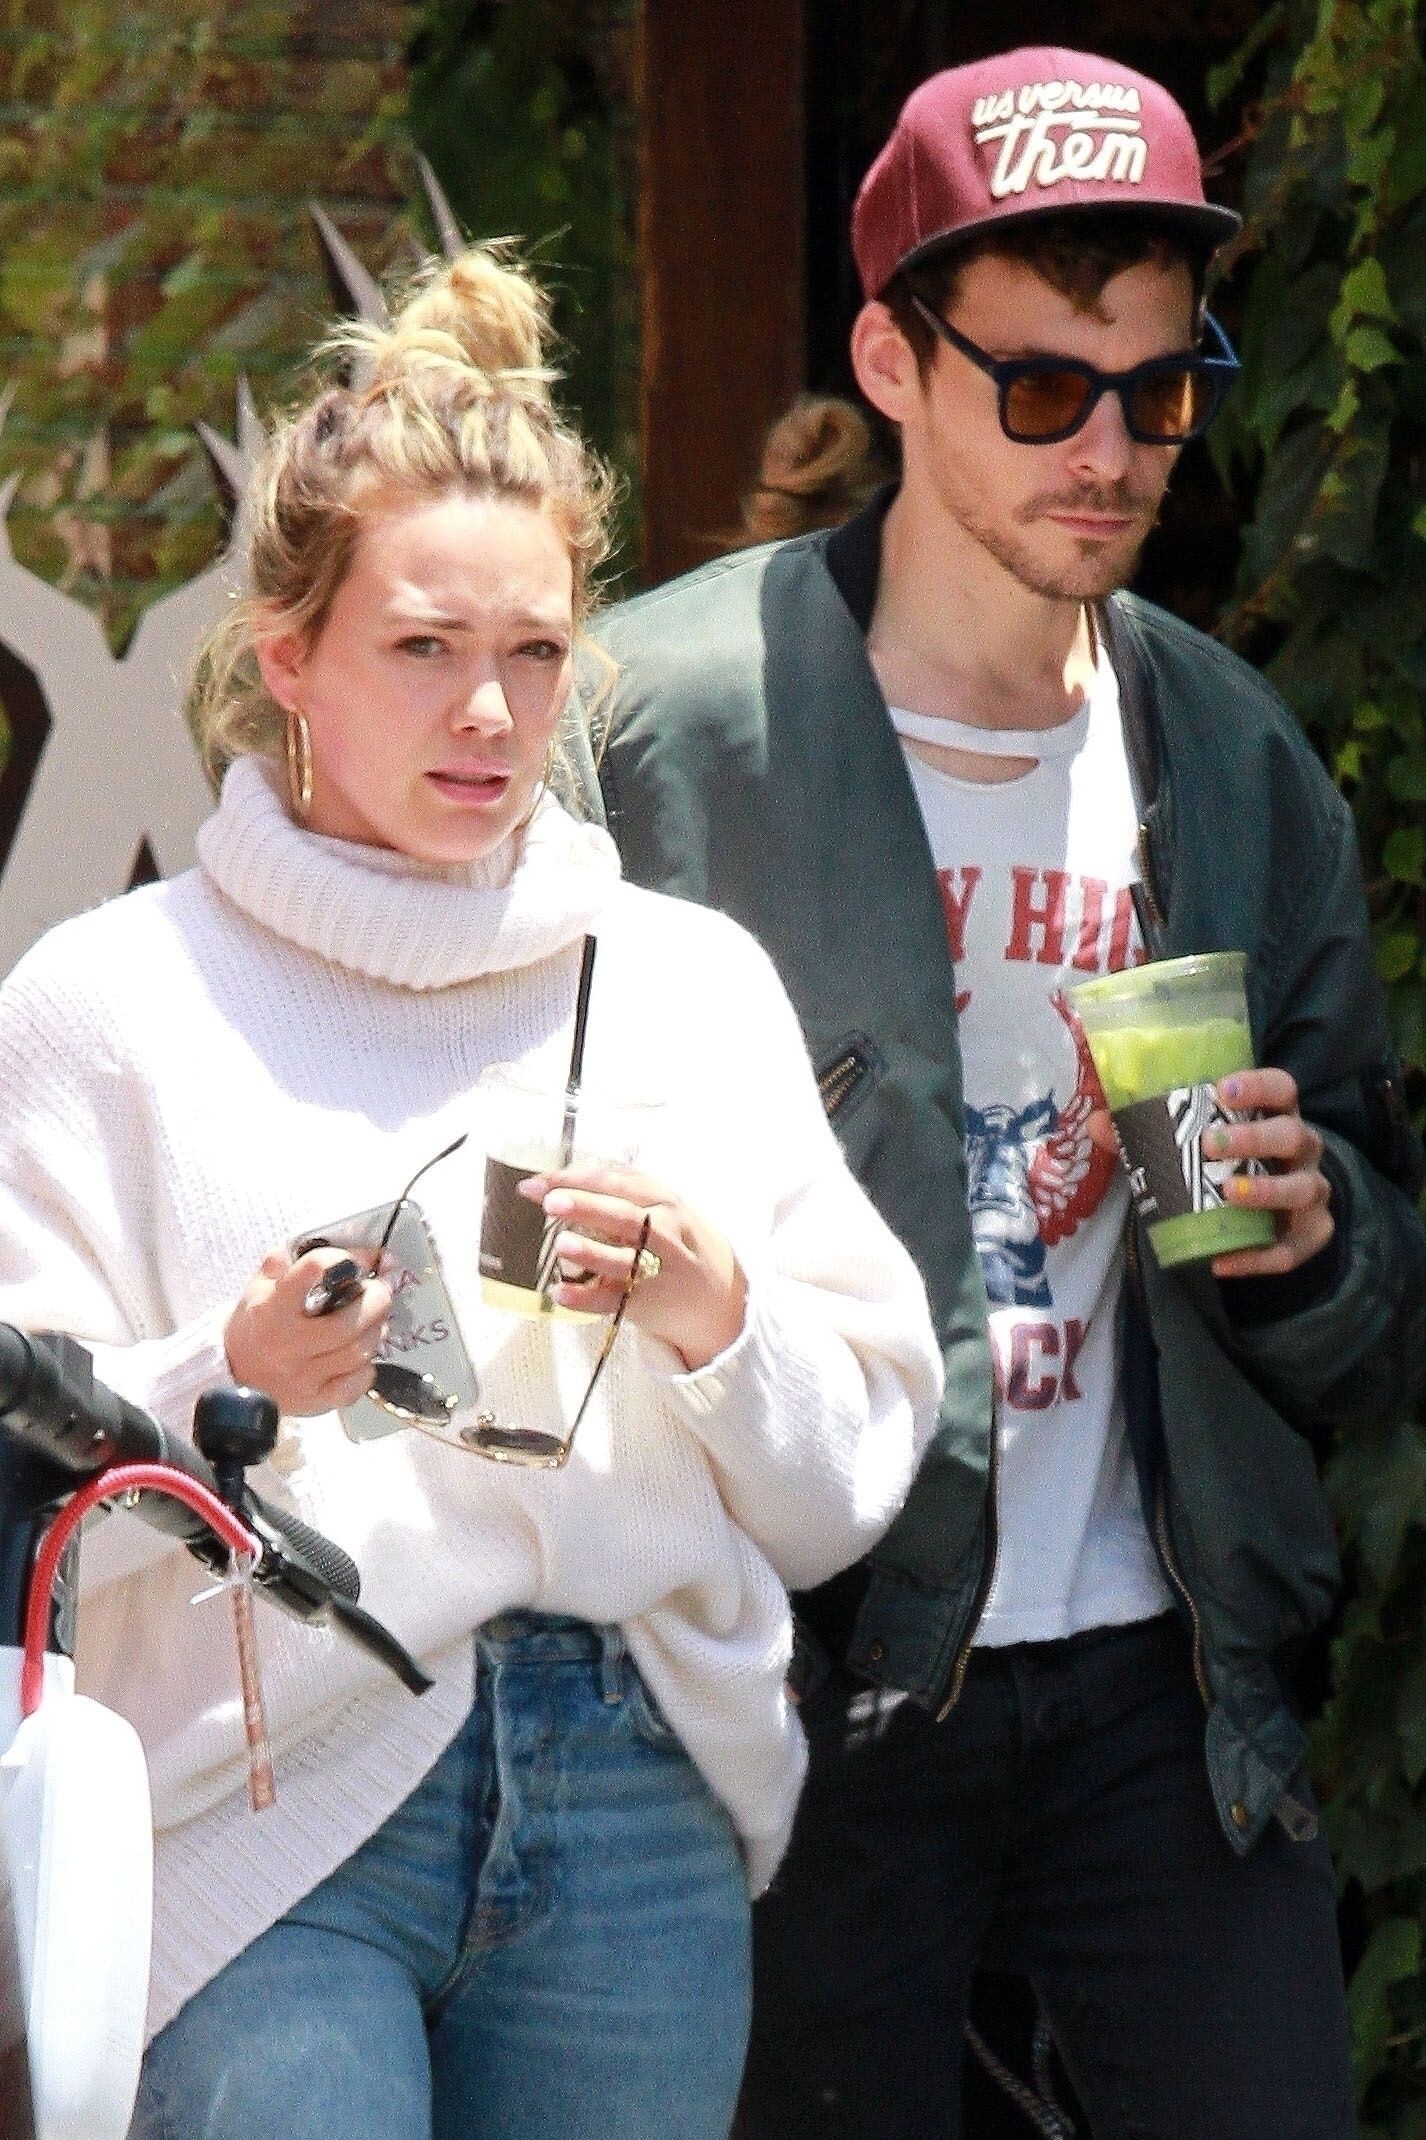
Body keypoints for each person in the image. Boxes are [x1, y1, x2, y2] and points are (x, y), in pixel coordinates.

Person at [0, 245, 944, 2140]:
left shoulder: (684, 983)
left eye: (533, 653)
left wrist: (714, 1315)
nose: (491, 715)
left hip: (631, 1790)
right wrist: (221, 1379)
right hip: (255, 1802)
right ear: (288, 658)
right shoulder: (107, 1004)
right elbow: (23, 1506)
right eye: (424, 649)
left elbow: (845, 1491)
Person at [582, 47, 1426, 2140]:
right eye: (1041, 387)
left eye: (1157, 387)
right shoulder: (662, 728)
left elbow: (1374, 1303)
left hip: (1166, 1681)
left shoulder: (1228, 754)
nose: (1109, 450)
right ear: (891, 360)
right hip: (807, 1667)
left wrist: (1310, 1235)